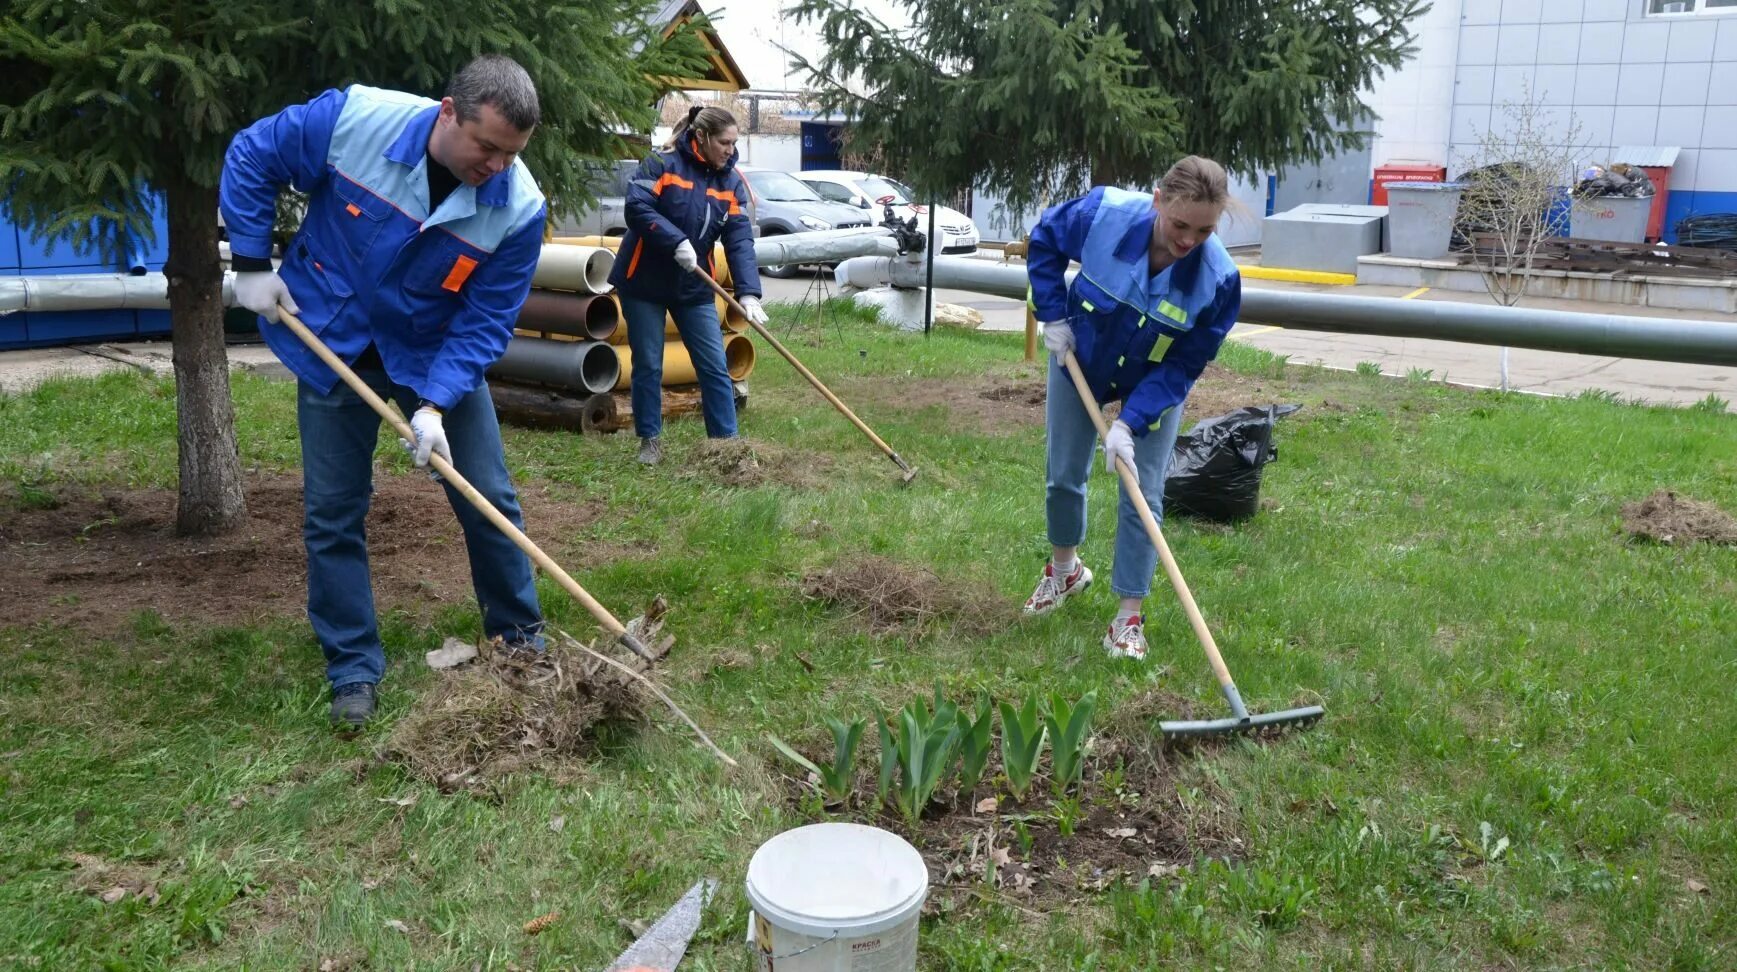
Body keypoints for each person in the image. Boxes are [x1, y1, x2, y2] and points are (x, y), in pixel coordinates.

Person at [220, 55, 549, 726]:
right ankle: (352, 668)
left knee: (487, 497)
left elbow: (486, 318)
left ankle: (519, 645)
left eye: (509, 155)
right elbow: (254, 152)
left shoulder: (518, 207)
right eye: (485, 147)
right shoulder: (354, 121)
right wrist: (251, 263)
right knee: (333, 512)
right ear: (447, 111)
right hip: (333, 339)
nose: (494, 165)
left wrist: (436, 403)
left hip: (431, 353)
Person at [1021, 157, 1243, 661]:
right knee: (1063, 473)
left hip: (1154, 378)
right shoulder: (1103, 213)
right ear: (1158, 200)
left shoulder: (1220, 281)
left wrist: (1131, 420)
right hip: (1078, 351)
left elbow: (1185, 364)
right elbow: (1046, 242)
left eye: (1204, 230)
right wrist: (1053, 315)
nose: (1188, 240)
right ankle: (1065, 572)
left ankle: (1128, 617)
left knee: (1143, 491)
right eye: (1180, 224)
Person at [607, 105, 766, 466]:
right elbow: (637, 208)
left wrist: (749, 292)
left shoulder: (730, 181)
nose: (730, 149)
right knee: (649, 364)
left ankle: (726, 445)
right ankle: (650, 441)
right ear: (703, 137)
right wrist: (675, 240)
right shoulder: (661, 165)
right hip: (642, 280)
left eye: (734, 142)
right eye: (724, 142)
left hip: (693, 286)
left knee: (712, 364)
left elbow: (740, 239)